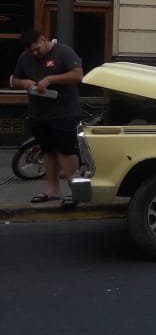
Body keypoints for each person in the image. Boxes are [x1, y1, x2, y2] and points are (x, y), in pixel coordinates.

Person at [11, 29, 84, 208]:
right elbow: (14, 80)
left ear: (43, 40)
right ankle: (52, 191)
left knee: (66, 152)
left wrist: (50, 79)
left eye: (37, 49)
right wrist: (23, 83)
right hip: (38, 113)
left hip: (64, 112)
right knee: (48, 151)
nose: (35, 54)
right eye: (31, 51)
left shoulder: (64, 52)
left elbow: (77, 75)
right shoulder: (24, 58)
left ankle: (74, 191)